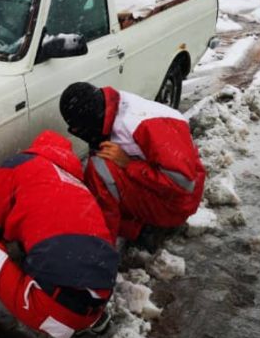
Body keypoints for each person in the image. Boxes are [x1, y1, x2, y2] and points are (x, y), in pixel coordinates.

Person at [0, 131, 119, 338]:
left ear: (38, 147)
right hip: (100, 297)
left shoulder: (20, 164)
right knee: (67, 247)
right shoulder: (77, 184)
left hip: (52, 309)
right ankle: (93, 320)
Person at [59, 81, 207, 243]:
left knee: (101, 169)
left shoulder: (145, 125)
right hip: (165, 192)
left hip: (177, 204)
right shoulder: (110, 107)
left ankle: (104, 242)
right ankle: (138, 229)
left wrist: (128, 164)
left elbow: (182, 185)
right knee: (102, 166)